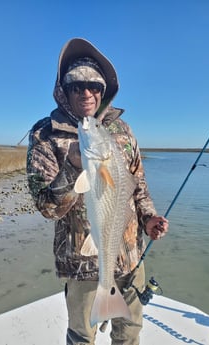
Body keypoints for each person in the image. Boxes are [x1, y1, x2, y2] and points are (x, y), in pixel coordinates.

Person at [26, 38, 169, 345]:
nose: (87, 92)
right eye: (77, 86)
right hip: (82, 262)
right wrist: (73, 166)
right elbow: (47, 207)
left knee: (130, 332)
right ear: (64, 89)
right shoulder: (44, 134)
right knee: (82, 337)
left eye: (94, 86)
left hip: (131, 257)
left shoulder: (123, 130)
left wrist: (149, 218)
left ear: (104, 91)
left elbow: (138, 185)